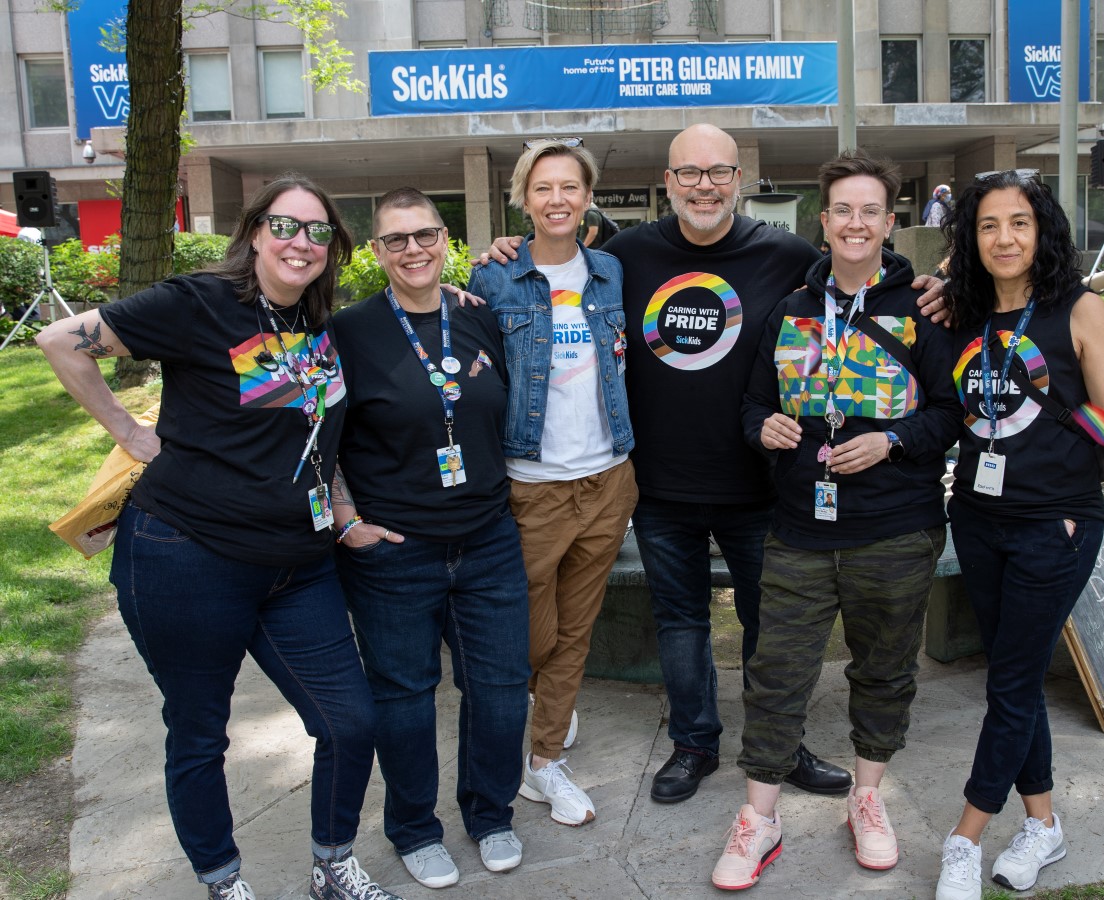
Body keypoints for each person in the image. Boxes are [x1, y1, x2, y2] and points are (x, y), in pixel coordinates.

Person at [480, 123, 948, 808]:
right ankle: (694, 742)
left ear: (739, 180)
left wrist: (933, 285)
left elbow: (857, 282)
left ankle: (779, 747)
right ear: (667, 183)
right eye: (689, 173)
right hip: (661, 484)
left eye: (719, 172)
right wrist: (507, 248)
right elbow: (551, 267)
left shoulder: (786, 253)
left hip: (762, 483)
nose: (704, 185)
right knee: (681, 621)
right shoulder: (624, 256)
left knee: (774, 625)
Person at [36, 174, 401, 900]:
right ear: (255, 232)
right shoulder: (198, 303)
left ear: (334, 249)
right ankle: (224, 881)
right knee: (200, 733)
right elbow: (59, 340)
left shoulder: (316, 330)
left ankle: (333, 867)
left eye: (318, 231)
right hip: (188, 558)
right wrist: (129, 431)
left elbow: (314, 440)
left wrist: (344, 517)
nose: (301, 242)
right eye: (285, 226)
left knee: (351, 721)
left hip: (298, 567)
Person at [712, 149, 960, 890]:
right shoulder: (789, 311)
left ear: (890, 222)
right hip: (799, 527)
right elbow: (754, 403)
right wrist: (765, 429)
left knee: (883, 669)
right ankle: (760, 817)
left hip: (896, 526)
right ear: (824, 221)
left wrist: (892, 439)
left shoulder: (923, 310)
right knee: (776, 671)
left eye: (870, 211)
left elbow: (951, 412)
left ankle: (867, 798)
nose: (856, 223)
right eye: (842, 210)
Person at [933, 170, 1104, 900]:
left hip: (1055, 523)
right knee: (1017, 677)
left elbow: (1101, 413)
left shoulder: (1077, 309)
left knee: (1010, 680)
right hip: (976, 515)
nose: (1005, 237)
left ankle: (964, 837)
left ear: (1043, 230)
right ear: (971, 236)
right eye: (989, 224)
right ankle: (1044, 824)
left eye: (1020, 222)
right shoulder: (962, 312)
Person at [331, 187, 530, 890]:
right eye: (395, 240)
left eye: (424, 236)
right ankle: (415, 828)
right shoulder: (348, 331)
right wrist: (348, 520)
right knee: (405, 696)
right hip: (395, 551)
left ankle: (490, 813)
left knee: (503, 689)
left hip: (487, 539)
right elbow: (321, 439)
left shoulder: (479, 316)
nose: (413, 250)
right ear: (376, 252)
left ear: (446, 239)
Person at [467, 138, 637, 827]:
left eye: (571, 186)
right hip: (530, 484)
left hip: (607, 478)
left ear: (588, 196)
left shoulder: (611, 273)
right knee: (532, 635)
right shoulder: (494, 279)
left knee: (577, 630)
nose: (558, 199)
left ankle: (544, 764)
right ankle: (545, 709)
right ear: (523, 198)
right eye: (544, 188)